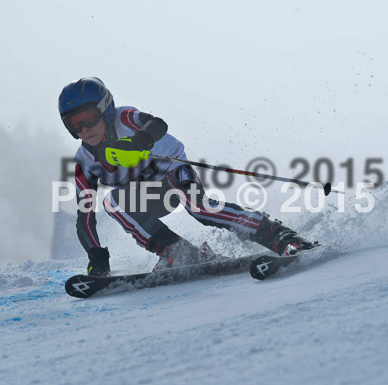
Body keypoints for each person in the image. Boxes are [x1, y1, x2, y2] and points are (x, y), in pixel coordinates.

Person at [58, 77, 315, 277]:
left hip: (173, 176)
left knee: (200, 208)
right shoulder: (84, 162)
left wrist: (141, 140)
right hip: (145, 198)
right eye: (74, 124)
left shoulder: (125, 118)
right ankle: (176, 252)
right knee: (111, 202)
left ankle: (280, 237)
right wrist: (97, 258)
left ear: (106, 110)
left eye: (89, 118)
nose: (84, 129)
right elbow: (85, 216)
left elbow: (157, 124)